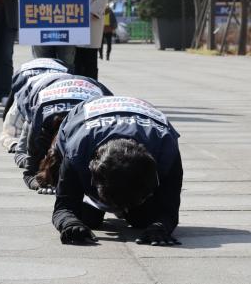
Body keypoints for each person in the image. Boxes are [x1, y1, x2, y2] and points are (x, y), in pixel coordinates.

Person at [47, 96, 182, 246]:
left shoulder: (166, 148)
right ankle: (95, 204)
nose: (118, 209)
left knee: (143, 219)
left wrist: (161, 226)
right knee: (87, 219)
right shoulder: (77, 151)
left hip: (139, 127)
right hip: (84, 126)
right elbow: (63, 206)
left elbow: (170, 208)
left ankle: (133, 207)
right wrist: (69, 224)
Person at [13, 74, 112, 193]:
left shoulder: (100, 127)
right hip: (44, 86)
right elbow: (29, 173)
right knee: (24, 156)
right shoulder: (38, 125)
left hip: (89, 86)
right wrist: (40, 182)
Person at [0, 58, 68, 152]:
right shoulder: (25, 97)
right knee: (8, 120)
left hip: (60, 76)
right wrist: (14, 144)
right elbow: (9, 133)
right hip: (27, 76)